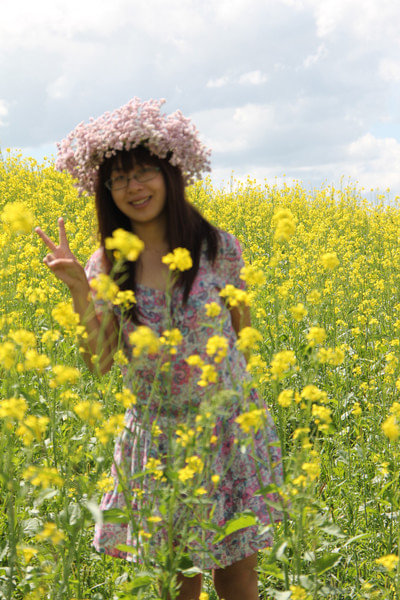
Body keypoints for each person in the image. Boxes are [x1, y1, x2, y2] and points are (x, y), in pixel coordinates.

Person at [35, 98, 283, 600]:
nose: (133, 187)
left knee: (238, 574)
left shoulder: (219, 248)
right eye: (119, 178)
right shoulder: (106, 265)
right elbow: (99, 362)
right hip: (159, 438)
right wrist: (78, 290)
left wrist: (231, 410)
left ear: (170, 174)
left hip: (226, 429)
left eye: (144, 171)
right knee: (178, 577)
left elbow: (243, 335)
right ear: (107, 191)